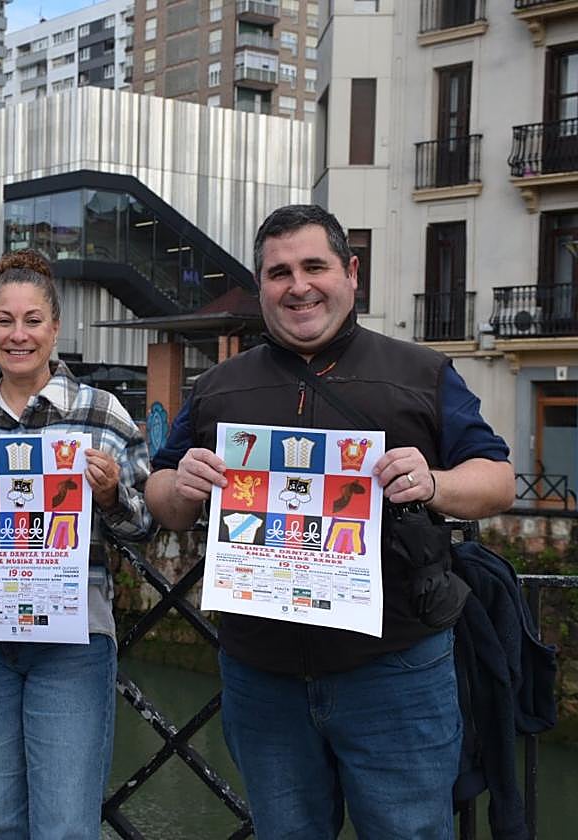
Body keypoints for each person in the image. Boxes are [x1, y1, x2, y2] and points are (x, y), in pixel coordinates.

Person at [145, 204, 515, 839]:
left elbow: (498, 479)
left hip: (395, 668)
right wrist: (180, 488)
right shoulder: (218, 387)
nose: (299, 286)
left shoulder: (422, 373)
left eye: (314, 266)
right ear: (261, 285)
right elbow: (161, 491)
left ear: (351, 273)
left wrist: (435, 482)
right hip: (262, 676)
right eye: (279, 272)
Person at [0, 249, 154, 839]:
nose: (19, 335)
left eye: (33, 320)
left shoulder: (103, 414)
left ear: (55, 328)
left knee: (66, 827)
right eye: (4, 321)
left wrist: (112, 495)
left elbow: (145, 525)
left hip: (72, 642)